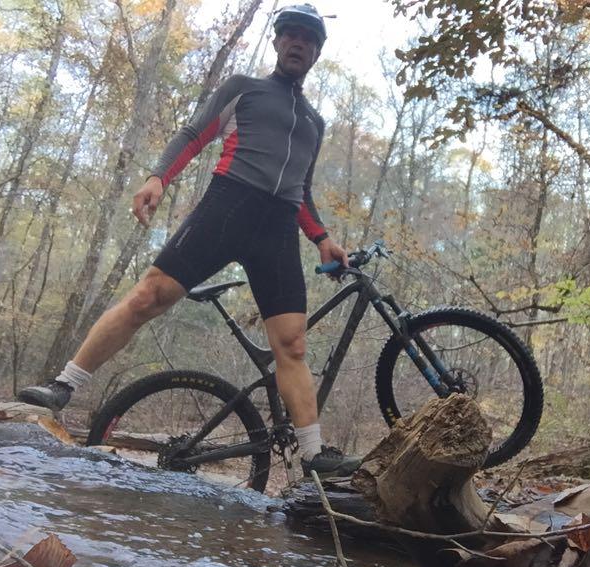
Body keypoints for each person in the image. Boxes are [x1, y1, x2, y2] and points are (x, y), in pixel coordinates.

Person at [18, 4, 362, 478]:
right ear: (278, 43)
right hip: (227, 207)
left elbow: (301, 190)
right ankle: (64, 384)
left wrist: (321, 237)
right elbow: (194, 132)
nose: (298, 42)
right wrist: (159, 176)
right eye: (291, 35)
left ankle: (313, 454)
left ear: (317, 51)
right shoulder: (244, 88)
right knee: (149, 296)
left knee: (293, 345)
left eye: (308, 37)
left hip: (278, 228)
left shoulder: (314, 123)